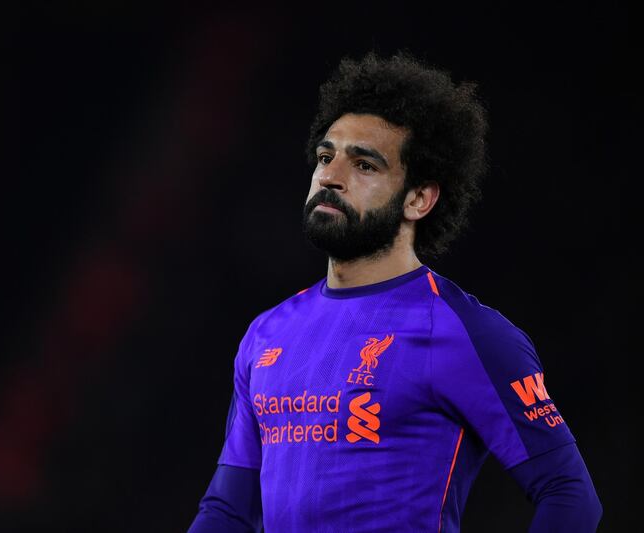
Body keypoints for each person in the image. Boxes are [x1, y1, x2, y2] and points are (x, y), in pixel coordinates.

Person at [187, 51, 601, 533]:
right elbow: (228, 510)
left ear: (419, 199)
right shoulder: (266, 334)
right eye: (326, 157)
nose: (330, 177)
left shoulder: (469, 334)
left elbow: (569, 496)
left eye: (364, 165)